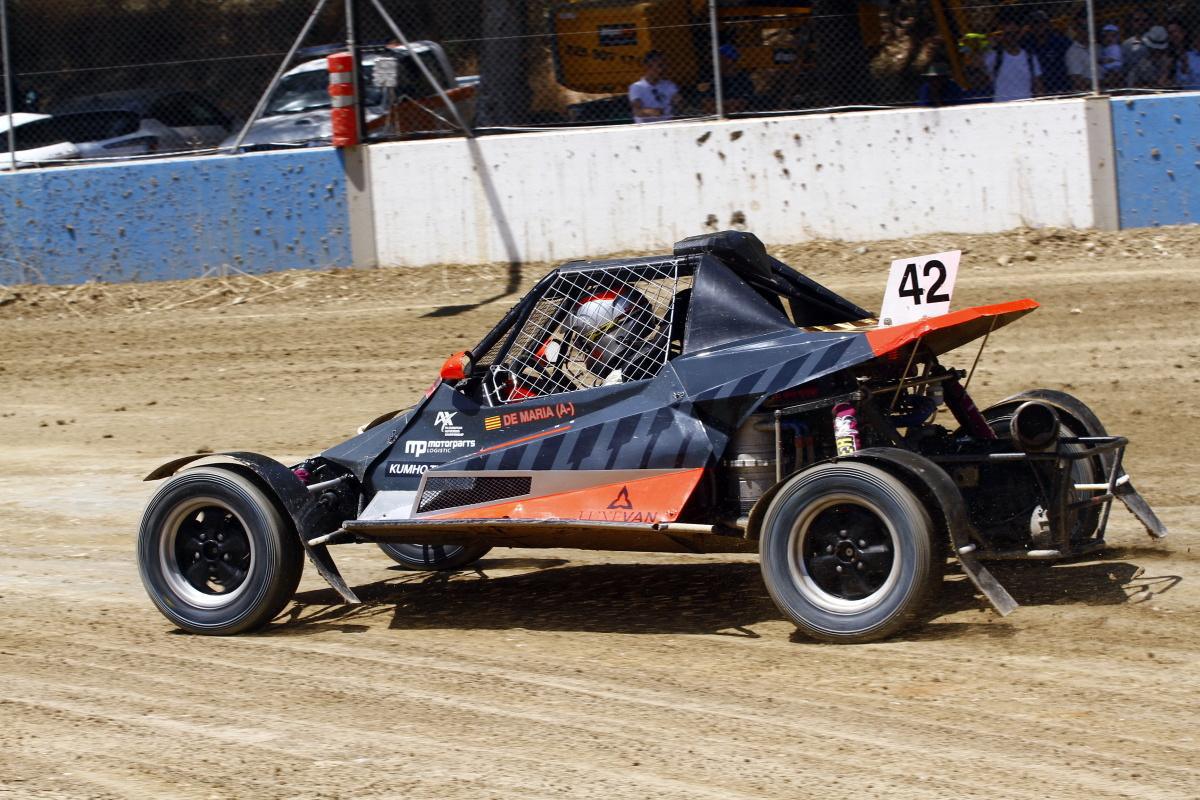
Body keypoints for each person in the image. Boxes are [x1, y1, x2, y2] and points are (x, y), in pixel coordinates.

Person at [985, 13, 1044, 102]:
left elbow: (1038, 83)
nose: (1012, 37)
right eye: (1008, 34)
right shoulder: (994, 56)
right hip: (1001, 105)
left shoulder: (1029, 57)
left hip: (1026, 103)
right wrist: (987, 45)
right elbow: (976, 66)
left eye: (1015, 33)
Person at [1023, 9, 1072, 94]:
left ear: (1048, 24)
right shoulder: (1026, 44)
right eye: (1035, 23)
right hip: (1037, 89)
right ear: (1030, 27)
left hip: (1061, 87)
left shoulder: (1060, 41)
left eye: (1042, 22)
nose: (1039, 26)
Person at [701, 44, 757, 114]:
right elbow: (706, 103)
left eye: (719, 58)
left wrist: (718, 105)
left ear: (729, 60)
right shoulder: (715, 79)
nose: (714, 62)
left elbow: (740, 105)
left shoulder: (743, 80)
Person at [629, 50, 679, 124]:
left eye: (665, 66)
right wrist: (651, 112)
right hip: (647, 127)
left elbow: (679, 102)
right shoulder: (637, 87)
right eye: (660, 66)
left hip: (668, 124)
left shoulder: (669, 85)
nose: (663, 70)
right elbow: (637, 111)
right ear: (648, 66)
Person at [1064, 14, 1095, 91]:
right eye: (1083, 28)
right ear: (1076, 30)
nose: (1087, 30)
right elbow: (1077, 80)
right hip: (1089, 90)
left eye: (1088, 27)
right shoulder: (1073, 52)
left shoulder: (1095, 46)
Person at [1121, 8, 1154, 80]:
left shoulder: (1156, 39)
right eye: (1137, 20)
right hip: (1133, 78)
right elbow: (1125, 66)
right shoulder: (1126, 44)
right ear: (1132, 22)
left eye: (1145, 20)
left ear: (1149, 22)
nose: (1141, 22)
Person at [1177, 26, 1200, 90]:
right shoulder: (1186, 57)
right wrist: (1185, 67)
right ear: (1196, 41)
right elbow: (1181, 81)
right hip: (1192, 92)